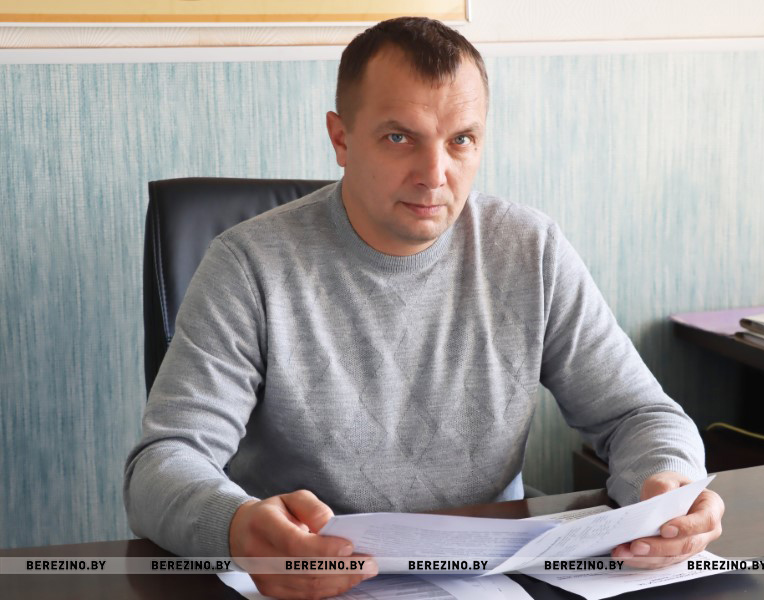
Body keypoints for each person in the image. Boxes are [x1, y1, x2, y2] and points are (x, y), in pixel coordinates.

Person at [124, 16, 724, 600]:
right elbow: (164, 463)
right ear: (340, 138)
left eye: (461, 139)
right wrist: (236, 527)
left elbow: (638, 414)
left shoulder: (530, 250)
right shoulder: (247, 265)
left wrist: (667, 486)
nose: (435, 175)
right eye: (399, 137)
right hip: (315, 580)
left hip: (489, 577)